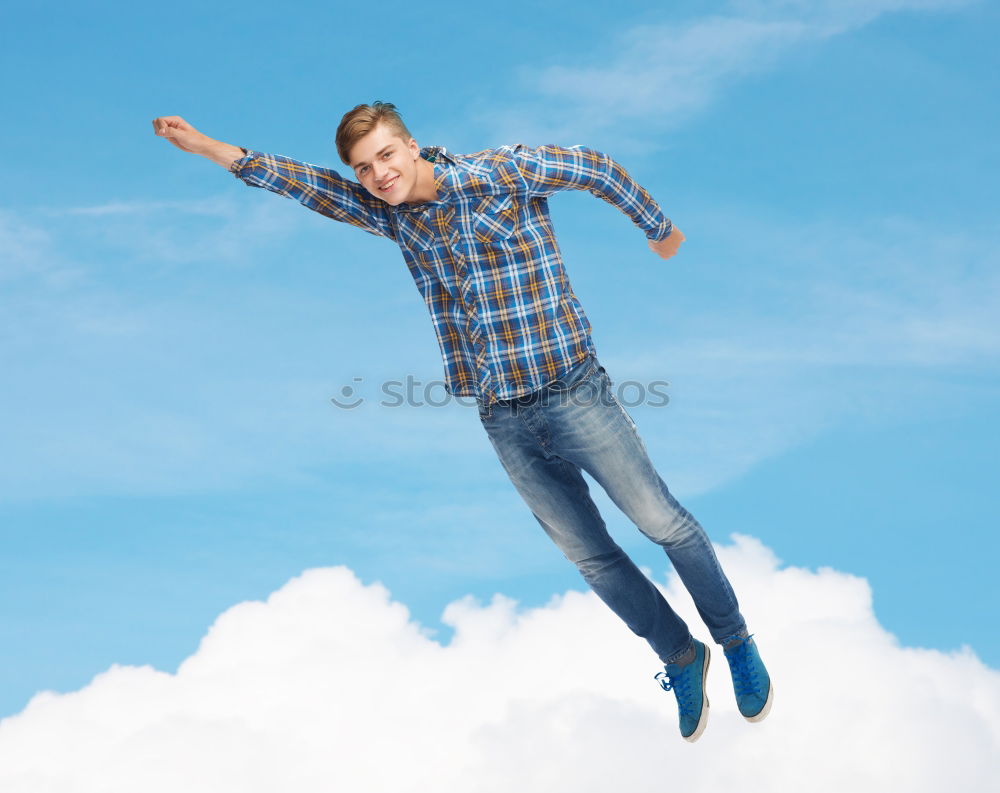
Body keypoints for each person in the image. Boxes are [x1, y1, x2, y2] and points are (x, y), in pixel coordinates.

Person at [151, 102, 773, 741]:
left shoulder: (501, 172)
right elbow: (307, 185)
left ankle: (734, 643)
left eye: (386, 156)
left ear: (412, 146)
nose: (378, 174)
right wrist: (206, 147)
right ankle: (680, 655)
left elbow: (594, 168)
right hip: (502, 415)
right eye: (365, 169)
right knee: (592, 559)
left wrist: (658, 228)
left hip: (574, 390)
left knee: (660, 522)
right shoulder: (394, 217)